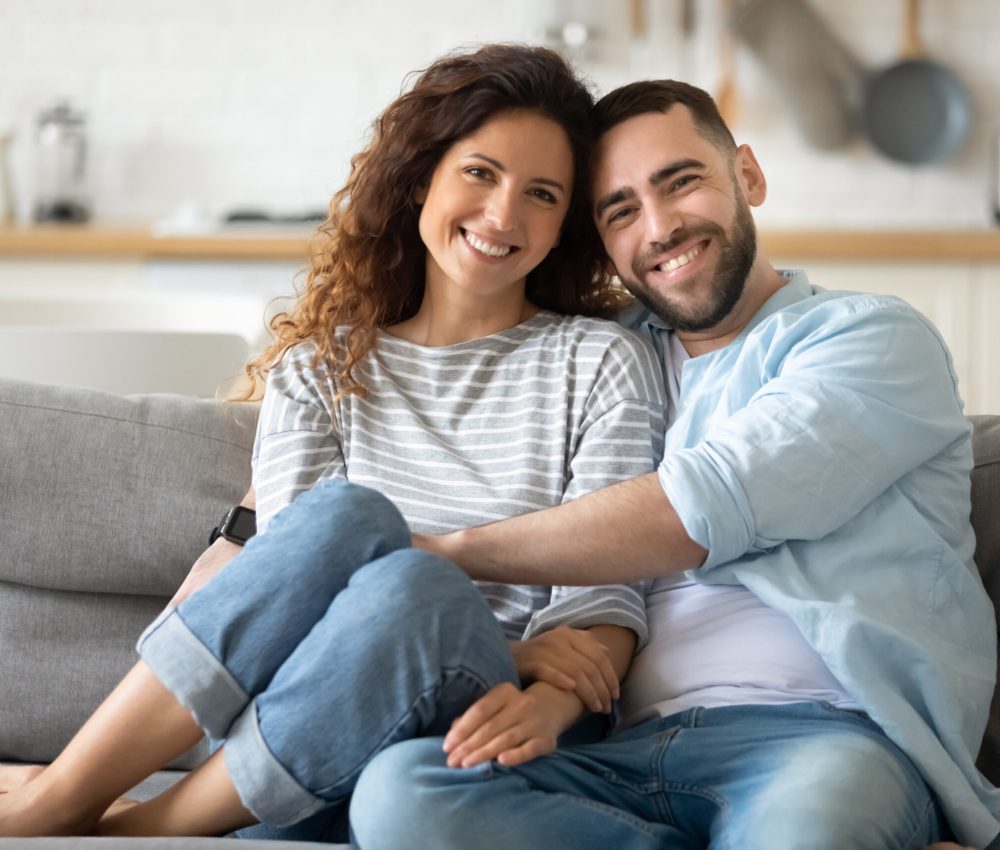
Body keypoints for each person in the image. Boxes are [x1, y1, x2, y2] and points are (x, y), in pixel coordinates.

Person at [0, 45, 667, 841]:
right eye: (480, 173)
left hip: (492, 721)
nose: (502, 215)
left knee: (416, 586)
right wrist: (517, 645)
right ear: (423, 177)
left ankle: (137, 829)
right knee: (350, 519)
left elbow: (604, 598)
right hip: (304, 704)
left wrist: (528, 676)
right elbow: (290, 583)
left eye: (542, 194)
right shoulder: (320, 369)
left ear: (564, 225)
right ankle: (66, 795)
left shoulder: (598, 363)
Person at [348, 80, 997, 849]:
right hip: (613, 754)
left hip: (823, 740)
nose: (659, 228)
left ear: (747, 176)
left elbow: (702, 506)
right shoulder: (603, 360)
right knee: (400, 796)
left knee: (803, 834)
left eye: (681, 181)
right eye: (620, 210)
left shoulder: (868, 339)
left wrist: (449, 554)